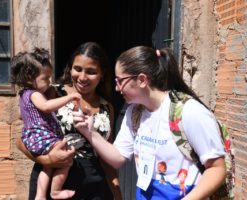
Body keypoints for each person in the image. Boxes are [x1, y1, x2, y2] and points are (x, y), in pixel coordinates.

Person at [73, 46, 227, 199]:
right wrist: (89, 132)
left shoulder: (189, 112)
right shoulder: (134, 112)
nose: (116, 87)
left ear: (141, 80)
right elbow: (118, 158)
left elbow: (217, 168)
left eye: (120, 81)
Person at [17, 42, 122, 200]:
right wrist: (47, 159)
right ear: (70, 68)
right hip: (54, 180)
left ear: (102, 74)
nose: (82, 77)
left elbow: (108, 156)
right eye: (77, 69)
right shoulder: (52, 93)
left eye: (91, 72)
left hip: (94, 186)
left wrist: (116, 192)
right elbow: (21, 140)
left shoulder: (107, 107)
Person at [10, 48, 80, 200]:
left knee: (47, 166)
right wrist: (70, 97)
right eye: (46, 78)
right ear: (30, 77)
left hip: (34, 137)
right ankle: (55, 191)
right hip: (43, 137)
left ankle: (40, 195)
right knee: (66, 161)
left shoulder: (23, 95)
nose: (50, 82)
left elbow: (24, 116)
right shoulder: (35, 94)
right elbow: (47, 106)